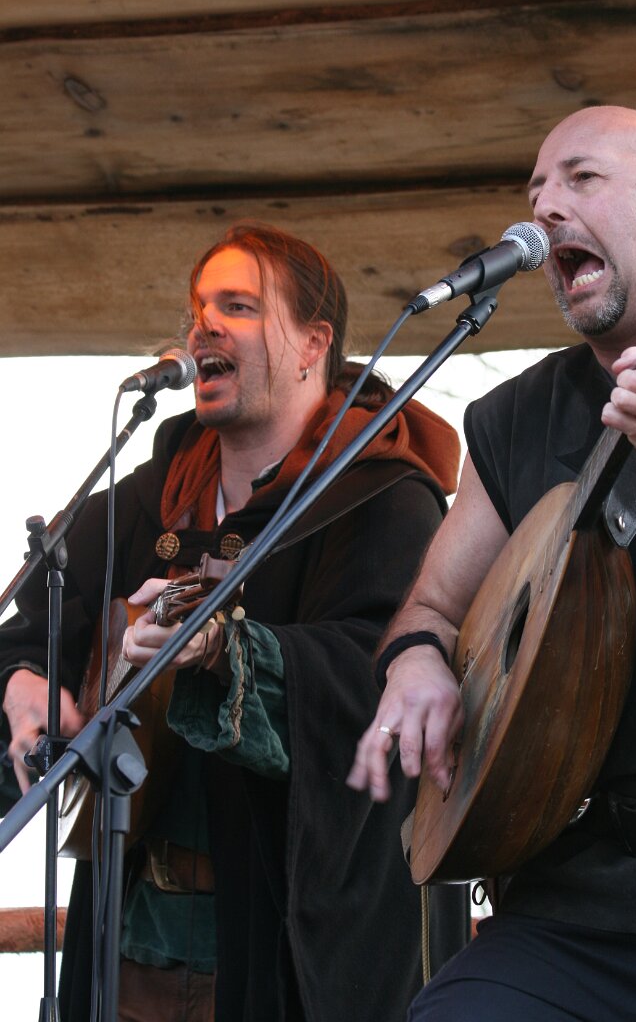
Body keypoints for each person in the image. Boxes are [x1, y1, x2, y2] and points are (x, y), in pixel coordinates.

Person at [348, 105, 636, 1020]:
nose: (545, 206)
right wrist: (416, 662)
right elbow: (430, 607)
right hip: (579, 905)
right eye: (535, 192)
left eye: (582, 177)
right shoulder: (517, 416)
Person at [0, 224, 469, 1021]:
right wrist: (24, 681)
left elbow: (373, 672)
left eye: (239, 306)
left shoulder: (384, 498)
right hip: (132, 943)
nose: (203, 326)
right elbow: (38, 619)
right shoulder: (151, 498)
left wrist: (226, 649)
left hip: (292, 947)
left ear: (313, 343)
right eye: (198, 309)